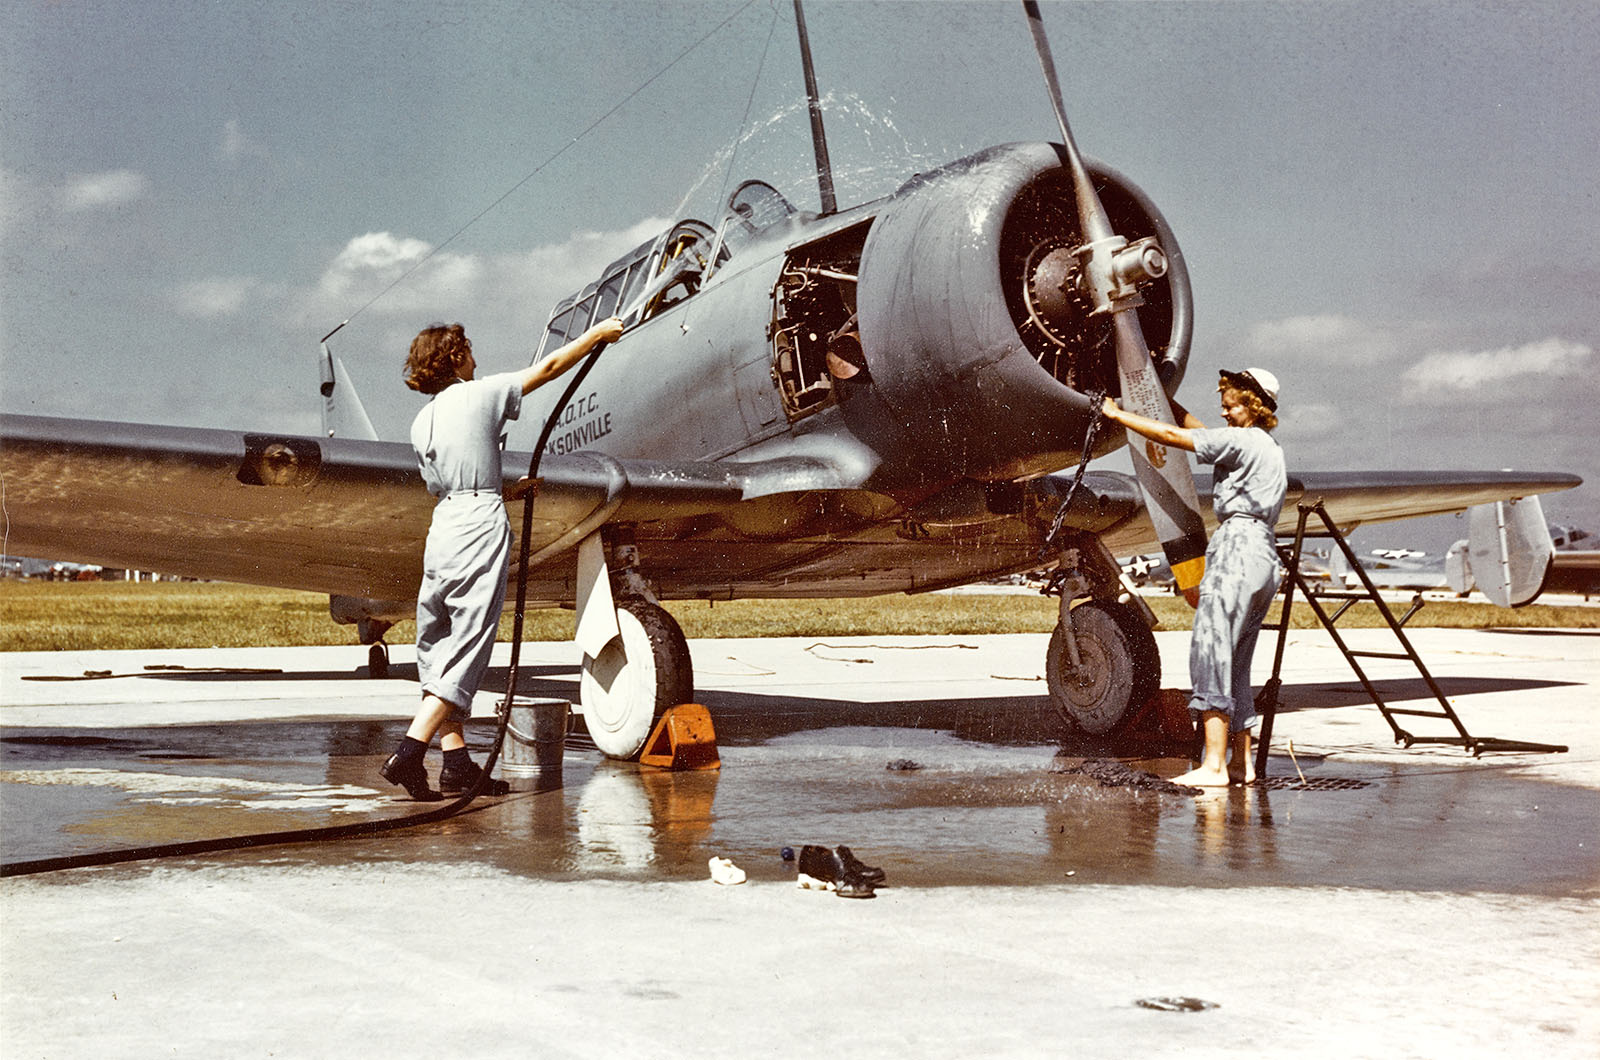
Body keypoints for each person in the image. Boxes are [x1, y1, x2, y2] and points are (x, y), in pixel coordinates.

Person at [380, 316, 625, 800]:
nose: (476, 359)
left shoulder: (421, 420)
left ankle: (455, 764)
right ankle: (408, 753)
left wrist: (506, 490)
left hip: (445, 525)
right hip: (478, 526)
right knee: (469, 642)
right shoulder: (480, 394)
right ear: (454, 358)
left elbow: (448, 483)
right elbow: (550, 366)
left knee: (439, 640)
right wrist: (597, 336)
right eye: (469, 350)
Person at [1100, 368, 1286, 787]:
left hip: (1236, 546)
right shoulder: (1265, 446)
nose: (1223, 406)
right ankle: (1241, 764)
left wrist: (1118, 414)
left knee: (1211, 651)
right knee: (1237, 664)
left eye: (1232, 400)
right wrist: (1154, 395)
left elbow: (1173, 438)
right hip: (1263, 554)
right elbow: (1196, 428)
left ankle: (1214, 764)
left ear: (1252, 405)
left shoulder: (1239, 440)